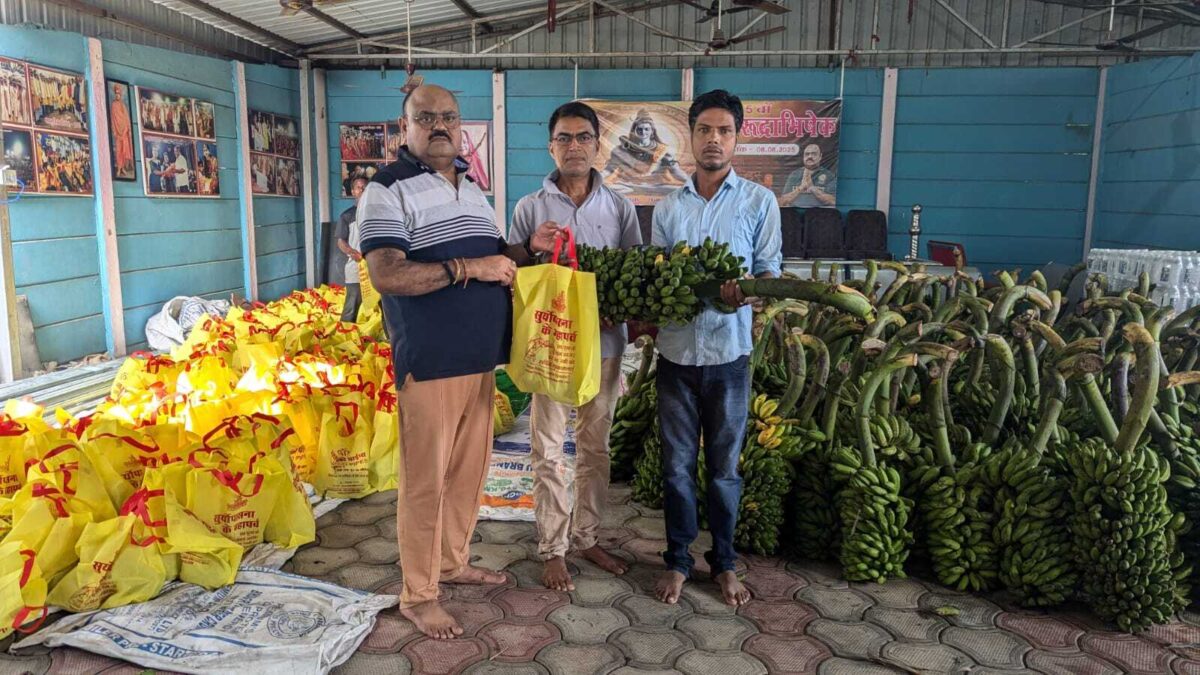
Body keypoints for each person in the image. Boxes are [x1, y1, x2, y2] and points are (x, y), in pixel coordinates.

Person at [358, 84, 562, 640]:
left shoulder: (470, 188)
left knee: (469, 473)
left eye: (449, 116)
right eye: (426, 118)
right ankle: (419, 594)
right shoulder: (386, 189)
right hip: (432, 361)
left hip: (479, 360)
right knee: (426, 481)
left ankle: (452, 562)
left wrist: (527, 248)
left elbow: (496, 257)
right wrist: (469, 269)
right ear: (406, 127)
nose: (440, 126)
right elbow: (388, 274)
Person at [650, 89, 782, 607]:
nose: (713, 139)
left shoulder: (759, 202)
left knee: (725, 470)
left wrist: (748, 292)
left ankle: (725, 562)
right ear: (691, 135)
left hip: (729, 357)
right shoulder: (668, 207)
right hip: (676, 356)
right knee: (677, 467)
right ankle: (678, 560)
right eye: (704, 129)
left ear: (737, 138)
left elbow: (770, 275)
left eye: (724, 130)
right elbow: (657, 277)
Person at [508, 101, 641, 593]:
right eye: (564, 137)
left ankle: (586, 538)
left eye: (583, 137)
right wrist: (533, 248)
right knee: (546, 447)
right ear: (551, 147)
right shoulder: (530, 208)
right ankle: (552, 547)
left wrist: (618, 311)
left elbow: (634, 274)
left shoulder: (620, 208)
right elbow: (512, 274)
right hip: (551, 346)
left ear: (596, 145)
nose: (574, 146)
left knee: (595, 447)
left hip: (604, 344)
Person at [601, 110, 689, 185]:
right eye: (640, 129)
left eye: (647, 129)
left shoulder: (663, 150)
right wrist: (595, 179)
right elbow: (609, 170)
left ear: (652, 131)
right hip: (628, 186)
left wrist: (691, 183)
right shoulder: (621, 150)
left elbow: (676, 171)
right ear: (634, 130)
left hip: (656, 187)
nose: (643, 132)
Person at [337, 175, 369, 321]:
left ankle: (388, 334)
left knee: (386, 307)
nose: (362, 190)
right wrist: (351, 252)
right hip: (357, 268)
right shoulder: (347, 216)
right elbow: (341, 242)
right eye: (358, 187)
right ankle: (346, 333)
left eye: (365, 187)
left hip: (377, 267)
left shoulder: (378, 213)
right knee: (351, 307)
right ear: (352, 191)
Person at [779, 143, 836, 208]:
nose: (810, 156)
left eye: (814, 154)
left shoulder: (829, 176)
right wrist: (800, 188)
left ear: (820, 156)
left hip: (819, 213)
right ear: (803, 157)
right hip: (796, 212)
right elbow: (782, 201)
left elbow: (833, 201)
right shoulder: (794, 174)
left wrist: (813, 188)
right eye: (807, 154)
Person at [109, 84, 134, 178]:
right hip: (117, 131)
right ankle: (119, 168)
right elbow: (112, 119)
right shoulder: (113, 105)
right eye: (116, 94)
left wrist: (127, 129)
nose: (117, 96)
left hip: (124, 131)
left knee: (124, 151)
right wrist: (114, 130)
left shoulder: (123, 105)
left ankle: (123, 168)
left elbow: (126, 119)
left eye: (119, 94)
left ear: (121, 95)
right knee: (118, 151)